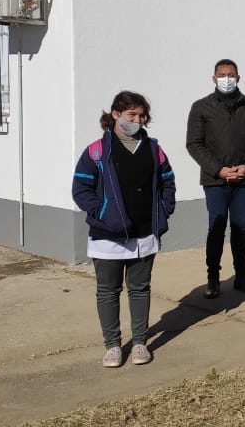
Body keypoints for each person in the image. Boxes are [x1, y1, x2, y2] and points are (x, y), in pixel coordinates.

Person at [72, 91, 176, 368]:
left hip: (144, 232)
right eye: (131, 115)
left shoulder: (154, 149)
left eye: (142, 116)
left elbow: (168, 182)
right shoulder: (96, 151)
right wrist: (105, 213)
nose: (137, 120)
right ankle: (113, 345)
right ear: (116, 115)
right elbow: (81, 190)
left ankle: (140, 342)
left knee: (140, 288)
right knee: (108, 290)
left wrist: (163, 210)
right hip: (108, 234)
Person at [186, 58, 245, 298]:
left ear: (238, 77)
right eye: (222, 75)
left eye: (231, 74)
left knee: (241, 227)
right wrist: (219, 169)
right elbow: (194, 144)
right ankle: (213, 278)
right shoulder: (201, 107)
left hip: (244, 179)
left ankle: (242, 276)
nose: (227, 79)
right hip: (215, 180)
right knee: (217, 227)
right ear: (214, 78)